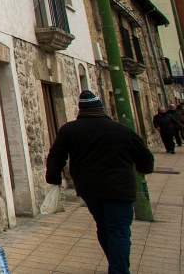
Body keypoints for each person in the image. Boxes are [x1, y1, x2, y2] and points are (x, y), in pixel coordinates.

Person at [47, 90, 154, 274]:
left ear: (81, 111)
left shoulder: (69, 130)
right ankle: (119, 270)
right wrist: (143, 168)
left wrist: (54, 178)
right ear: (101, 109)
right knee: (118, 230)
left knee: (103, 226)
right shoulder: (122, 130)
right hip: (119, 189)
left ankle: (115, 265)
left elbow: (56, 156)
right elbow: (145, 157)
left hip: (89, 189)